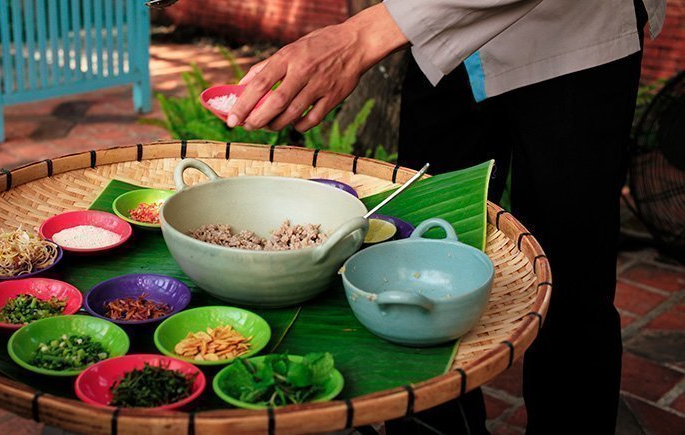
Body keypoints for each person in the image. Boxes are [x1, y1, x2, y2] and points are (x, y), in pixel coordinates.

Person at [227, 1, 666, 433]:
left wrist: (362, 35)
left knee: (570, 281)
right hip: (443, 44)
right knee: (419, 257)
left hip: (572, 37)